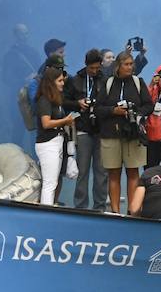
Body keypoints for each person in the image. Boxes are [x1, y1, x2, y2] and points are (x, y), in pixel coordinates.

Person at [98, 50, 152, 214]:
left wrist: (136, 113)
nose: (130, 67)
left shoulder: (138, 82)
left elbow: (148, 105)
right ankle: (115, 211)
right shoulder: (108, 83)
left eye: (131, 64)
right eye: (126, 64)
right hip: (111, 135)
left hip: (133, 134)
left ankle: (132, 210)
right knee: (113, 173)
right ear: (118, 66)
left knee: (133, 172)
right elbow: (98, 108)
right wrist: (114, 110)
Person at [63, 49, 109, 211]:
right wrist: (78, 103)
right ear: (86, 65)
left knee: (101, 172)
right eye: (92, 68)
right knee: (82, 171)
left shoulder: (105, 80)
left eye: (97, 68)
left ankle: (100, 207)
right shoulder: (75, 80)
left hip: (102, 131)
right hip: (83, 130)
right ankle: (81, 207)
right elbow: (63, 101)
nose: (95, 71)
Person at [34, 65, 76, 206]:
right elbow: (46, 123)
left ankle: (50, 207)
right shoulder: (44, 100)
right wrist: (66, 120)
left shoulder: (56, 100)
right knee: (50, 182)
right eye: (59, 81)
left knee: (54, 180)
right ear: (51, 82)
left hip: (57, 142)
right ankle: (45, 212)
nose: (63, 83)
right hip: (47, 144)